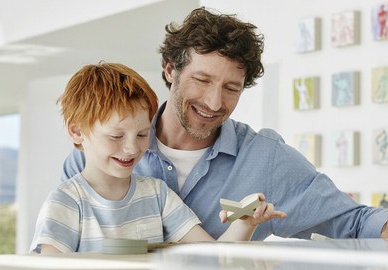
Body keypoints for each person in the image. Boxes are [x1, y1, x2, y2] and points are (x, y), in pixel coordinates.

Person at [62, 7, 388, 240]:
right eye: (203, 80)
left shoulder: (266, 159)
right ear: (170, 69)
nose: (214, 102)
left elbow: (348, 219)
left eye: (231, 88)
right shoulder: (95, 157)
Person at [31, 62, 286, 254]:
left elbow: (213, 258)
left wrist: (246, 223)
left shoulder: (156, 194)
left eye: (142, 134)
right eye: (116, 136)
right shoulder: (66, 202)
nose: (131, 149)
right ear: (77, 132)